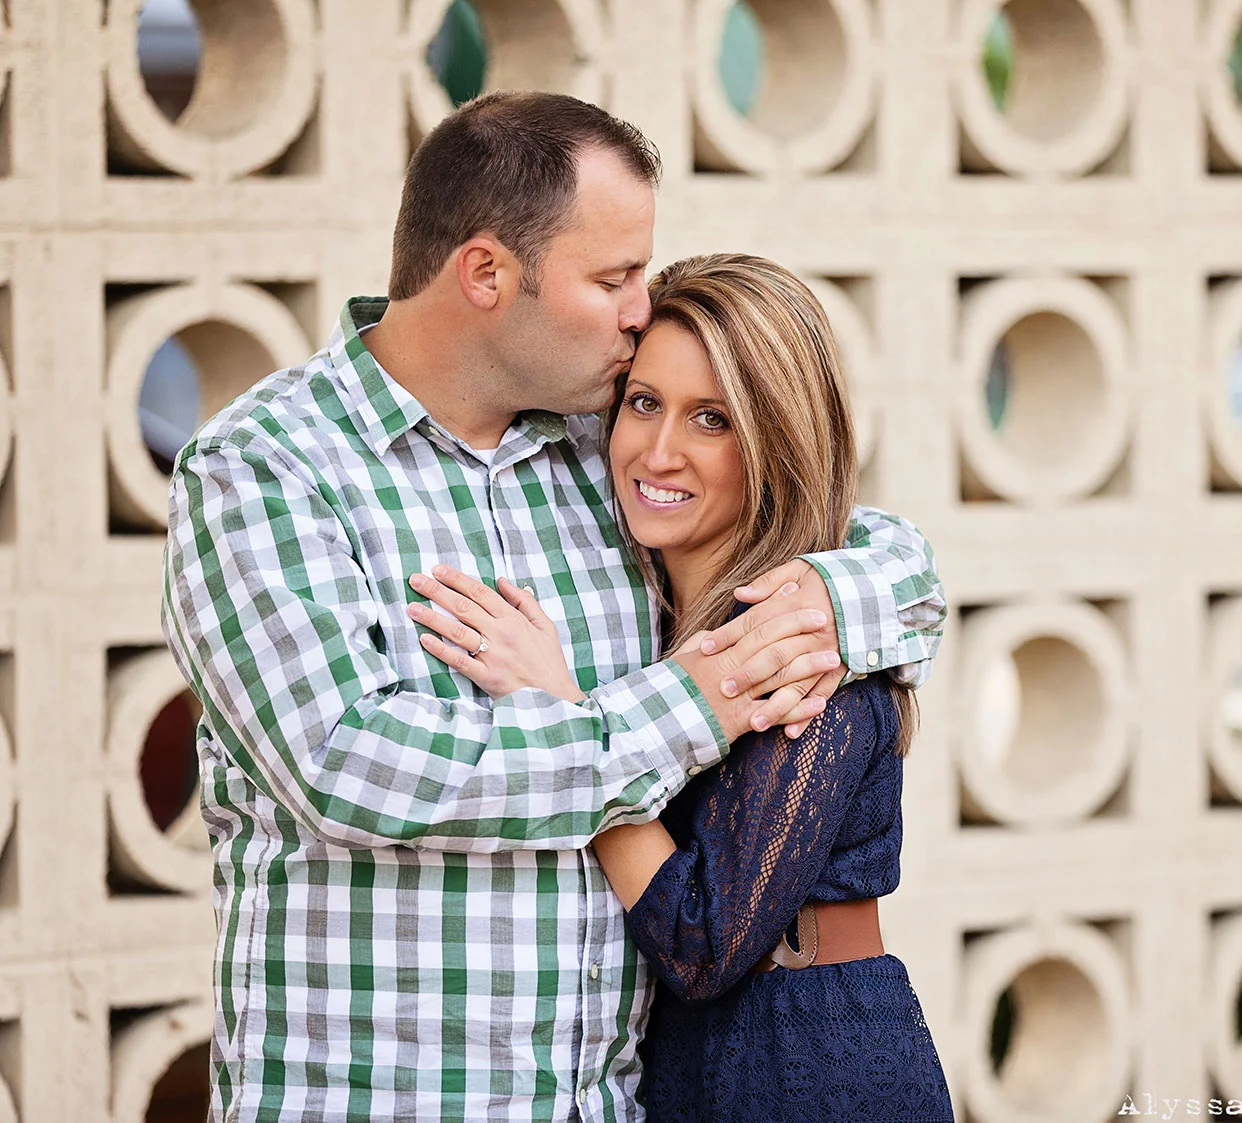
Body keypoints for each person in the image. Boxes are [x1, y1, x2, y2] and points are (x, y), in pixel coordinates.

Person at [161, 93, 945, 1123]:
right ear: (486, 272)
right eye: (614, 278)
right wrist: (690, 703)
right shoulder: (265, 469)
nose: (639, 311)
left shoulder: (603, 454)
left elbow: (852, 534)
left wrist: (831, 601)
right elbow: (348, 762)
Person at [409, 254, 954, 1122]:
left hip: (807, 1063)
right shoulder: (648, 616)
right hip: (676, 1064)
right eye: (643, 403)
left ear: (776, 438)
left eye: (712, 419)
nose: (658, 451)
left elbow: (703, 939)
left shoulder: (802, 650)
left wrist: (561, 719)